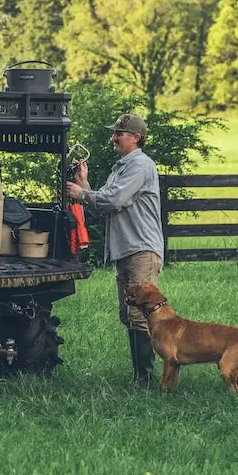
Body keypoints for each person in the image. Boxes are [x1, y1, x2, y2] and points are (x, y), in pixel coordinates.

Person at [65, 112, 164, 386]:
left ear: (136, 138)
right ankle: (142, 375)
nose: (114, 138)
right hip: (126, 250)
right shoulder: (121, 167)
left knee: (139, 314)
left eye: (119, 133)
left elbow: (115, 199)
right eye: (115, 133)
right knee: (128, 314)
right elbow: (103, 206)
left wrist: (81, 193)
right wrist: (84, 183)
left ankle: (146, 378)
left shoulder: (140, 166)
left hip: (142, 248)